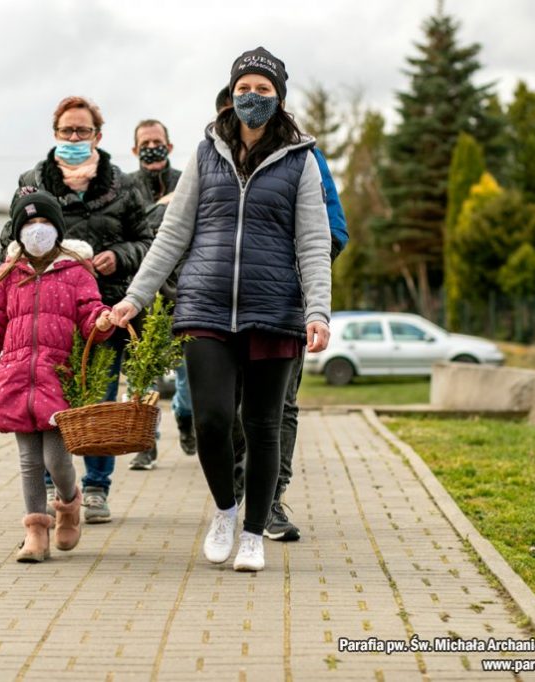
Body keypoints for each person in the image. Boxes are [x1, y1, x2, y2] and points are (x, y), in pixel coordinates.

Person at [111, 47, 332, 572]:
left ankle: (253, 533)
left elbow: (314, 241)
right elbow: (172, 235)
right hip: (205, 306)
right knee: (211, 420)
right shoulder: (206, 153)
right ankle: (225, 511)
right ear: (230, 93)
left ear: (278, 99)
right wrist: (134, 297)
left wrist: (317, 311)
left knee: (262, 426)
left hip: (273, 308)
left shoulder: (300, 159)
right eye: (244, 88)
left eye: (263, 90)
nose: (251, 97)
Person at [0, 96, 152, 524]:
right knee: (41, 398)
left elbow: (149, 241)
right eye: (66, 131)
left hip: (102, 310)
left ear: (98, 135)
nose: (74, 138)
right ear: (55, 134)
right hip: (41, 310)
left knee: (97, 396)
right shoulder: (33, 180)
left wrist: (119, 255)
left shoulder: (124, 184)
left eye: (82, 131)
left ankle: (95, 487)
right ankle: (49, 485)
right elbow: (11, 243)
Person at [0, 189, 115, 562]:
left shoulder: (76, 271)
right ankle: (35, 531)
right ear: (18, 232)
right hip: (15, 380)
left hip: (57, 378)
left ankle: (68, 504)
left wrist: (102, 320)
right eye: (29, 224)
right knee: (29, 460)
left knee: (56, 459)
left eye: (45, 222)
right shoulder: (7, 276)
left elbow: (89, 312)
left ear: (58, 230)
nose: (37, 230)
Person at [228, 92, 350, 543]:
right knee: (232, 403)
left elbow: (333, 226)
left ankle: (272, 498)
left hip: (283, 304)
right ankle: (236, 490)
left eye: (260, 94)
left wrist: (302, 267)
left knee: (282, 406)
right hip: (226, 307)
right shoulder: (217, 156)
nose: (247, 108)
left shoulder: (304, 157)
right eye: (237, 99)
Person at [126, 119, 195, 469]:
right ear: (135, 150)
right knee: (142, 376)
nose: (152, 148)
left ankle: (185, 420)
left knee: (186, 377)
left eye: (158, 141)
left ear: (169, 146)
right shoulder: (125, 189)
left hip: (180, 293)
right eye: (145, 143)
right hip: (140, 297)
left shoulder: (187, 181)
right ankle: (145, 444)